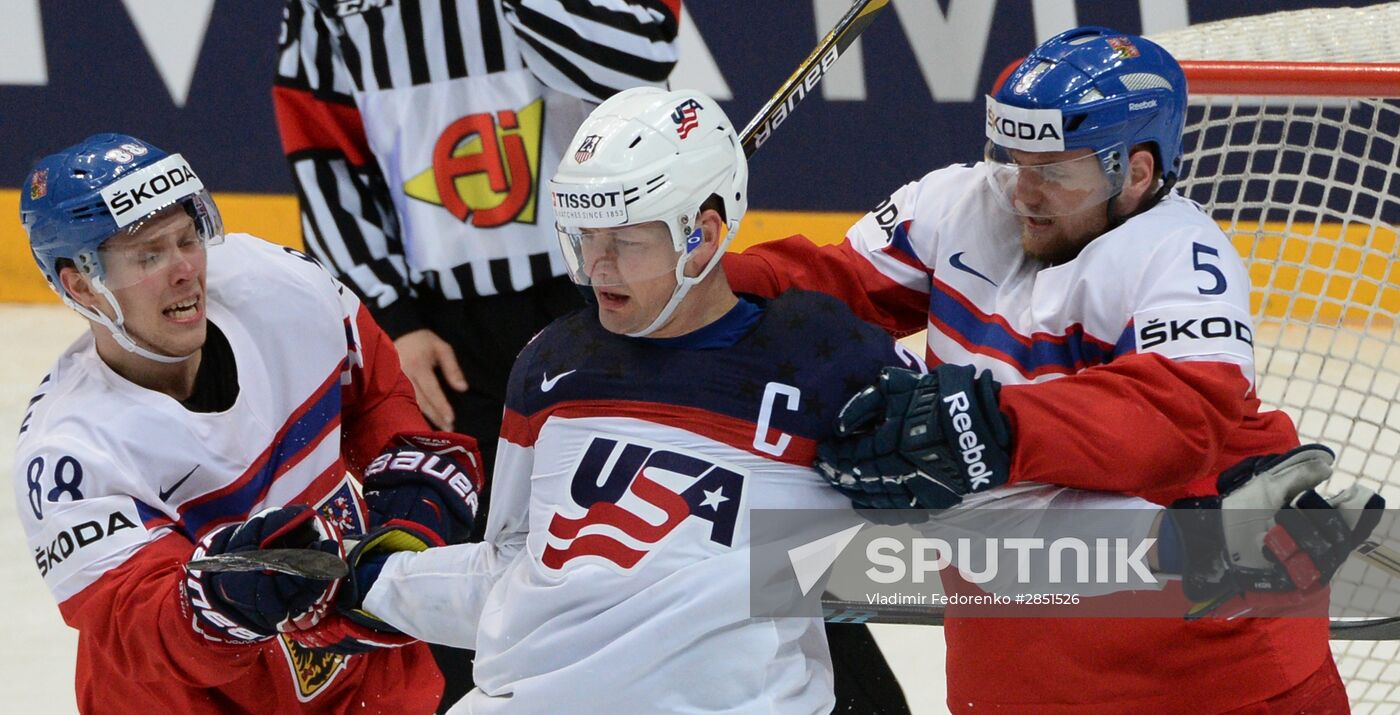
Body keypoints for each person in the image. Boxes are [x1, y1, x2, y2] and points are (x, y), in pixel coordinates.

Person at [721, 26, 1382, 713]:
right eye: (1014, 160)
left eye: (1057, 172)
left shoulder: (1182, 255)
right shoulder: (957, 205)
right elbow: (820, 292)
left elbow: (1176, 416)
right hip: (1013, 669)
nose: (1024, 193)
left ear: (1136, 173)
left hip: (1211, 676)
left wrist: (989, 425)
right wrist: (691, 279)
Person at [270, 4, 912, 709]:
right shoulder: (547, 363)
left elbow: (636, 56)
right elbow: (324, 148)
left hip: (599, 285)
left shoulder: (811, 361)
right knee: (543, 564)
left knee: (734, 552)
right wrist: (391, 316)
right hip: (463, 327)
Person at [13, 133, 483, 713]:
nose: (186, 270)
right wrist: (216, 603)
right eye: (149, 255)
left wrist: (411, 482)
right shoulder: (68, 455)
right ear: (82, 285)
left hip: (371, 689)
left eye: (188, 238)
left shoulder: (279, 288)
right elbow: (133, 625)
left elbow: (377, 395)